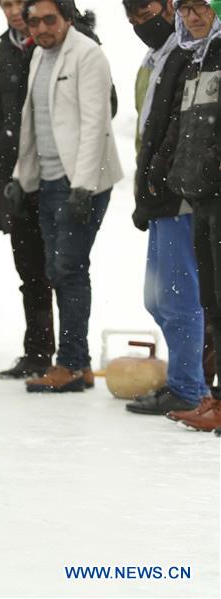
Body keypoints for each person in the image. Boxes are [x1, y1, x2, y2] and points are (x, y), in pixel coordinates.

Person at [8, 0, 123, 392]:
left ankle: (72, 363)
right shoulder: (39, 55)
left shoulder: (88, 55)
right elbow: (33, 122)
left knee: (68, 270)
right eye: (33, 21)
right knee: (58, 271)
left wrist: (84, 186)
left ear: (68, 18)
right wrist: (22, 178)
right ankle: (80, 362)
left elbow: (96, 123)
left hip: (80, 181)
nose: (41, 27)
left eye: (49, 19)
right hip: (49, 180)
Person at [119, 0, 210, 417]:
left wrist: (165, 171)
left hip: (180, 192)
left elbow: (180, 126)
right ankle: (188, 379)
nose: (141, 21)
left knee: (177, 297)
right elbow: (150, 127)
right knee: (157, 300)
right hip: (158, 191)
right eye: (132, 14)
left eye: (147, 9)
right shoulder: (160, 57)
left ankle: (188, 387)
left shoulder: (192, 53)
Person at [0, 0, 56, 380]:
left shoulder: (64, 42)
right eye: (6, 4)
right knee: (29, 270)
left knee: (63, 270)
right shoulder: (4, 47)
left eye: (19, 3)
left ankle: (72, 358)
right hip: (13, 176)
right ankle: (38, 352)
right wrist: (0, 155)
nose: (13, 11)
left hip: (54, 174)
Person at [163, 0, 221, 431]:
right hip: (200, 195)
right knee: (212, 300)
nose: (192, 17)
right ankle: (216, 399)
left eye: (202, 6)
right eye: (184, 9)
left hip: (217, 192)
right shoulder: (198, 59)